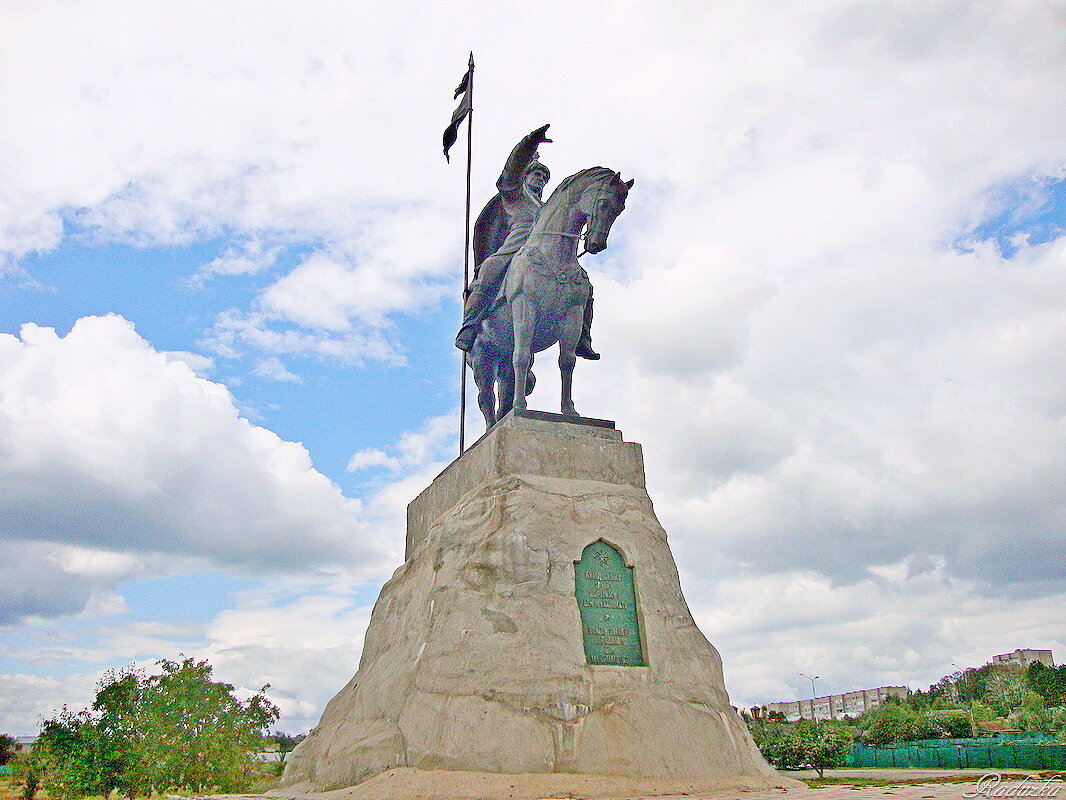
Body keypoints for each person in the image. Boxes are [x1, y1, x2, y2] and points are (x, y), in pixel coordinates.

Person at [454, 124, 599, 359]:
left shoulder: (548, 209)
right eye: (536, 174)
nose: (540, 179)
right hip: (514, 251)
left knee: (584, 286)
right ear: (526, 175)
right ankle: (470, 325)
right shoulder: (516, 197)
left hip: (546, 259)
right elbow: (508, 177)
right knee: (489, 272)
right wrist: (528, 145)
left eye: (544, 177)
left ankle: (582, 336)